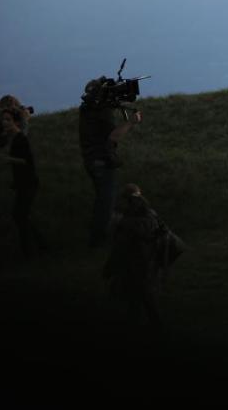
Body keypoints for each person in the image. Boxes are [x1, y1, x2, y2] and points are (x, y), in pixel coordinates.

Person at [103, 184, 182, 329]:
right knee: (141, 294)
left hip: (135, 261)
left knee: (139, 294)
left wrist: (111, 265)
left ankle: (149, 324)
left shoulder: (124, 221)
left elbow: (120, 245)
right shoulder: (150, 215)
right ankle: (148, 324)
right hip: (147, 261)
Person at [79, 82, 140, 248]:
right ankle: (98, 242)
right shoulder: (102, 113)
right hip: (102, 161)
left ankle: (101, 237)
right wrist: (131, 122)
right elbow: (113, 137)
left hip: (91, 160)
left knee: (102, 201)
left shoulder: (87, 109)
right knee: (105, 204)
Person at [0, 109, 46, 260]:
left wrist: (6, 159)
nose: (4, 122)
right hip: (23, 184)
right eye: (4, 120)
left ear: (17, 122)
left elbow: (27, 161)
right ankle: (40, 247)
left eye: (8, 120)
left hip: (28, 183)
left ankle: (31, 252)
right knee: (21, 216)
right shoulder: (15, 138)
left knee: (20, 216)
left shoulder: (20, 138)